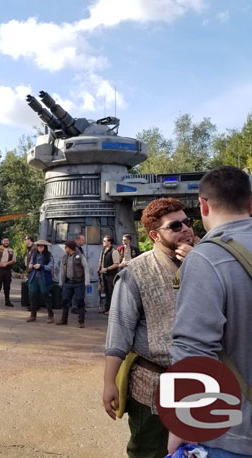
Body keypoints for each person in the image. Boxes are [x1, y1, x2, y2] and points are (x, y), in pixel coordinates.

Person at [168, 166, 252, 457]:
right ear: (250, 203)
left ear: (203, 205)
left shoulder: (206, 258)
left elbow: (192, 347)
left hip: (234, 435)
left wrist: (182, 423)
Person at [102, 198, 194, 458]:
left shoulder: (207, 261)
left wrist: (201, 263)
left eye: (188, 222)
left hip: (203, 381)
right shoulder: (135, 273)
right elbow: (119, 329)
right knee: (149, 451)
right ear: (154, 235)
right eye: (175, 226)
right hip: (153, 384)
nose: (186, 229)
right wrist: (109, 382)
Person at [57, 240, 90, 328]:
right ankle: (64, 320)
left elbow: (86, 268)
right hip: (68, 282)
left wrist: (87, 282)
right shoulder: (64, 257)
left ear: (70, 247)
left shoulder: (80, 256)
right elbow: (62, 270)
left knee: (80, 301)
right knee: (65, 301)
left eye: (66, 247)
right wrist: (61, 281)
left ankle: (81, 322)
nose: (65, 248)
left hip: (79, 283)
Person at [25, 240, 54, 323]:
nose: (39, 248)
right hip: (34, 277)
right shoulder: (34, 254)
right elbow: (30, 263)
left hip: (44, 278)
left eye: (41, 246)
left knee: (45, 294)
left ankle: (50, 315)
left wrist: (41, 266)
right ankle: (33, 315)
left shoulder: (49, 255)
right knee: (32, 294)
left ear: (45, 247)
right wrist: (30, 265)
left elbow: (50, 267)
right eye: (38, 246)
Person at [97, 235, 119, 314]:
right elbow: (100, 260)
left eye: (105, 241)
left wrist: (106, 269)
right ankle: (107, 307)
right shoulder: (103, 251)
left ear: (109, 242)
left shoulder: (114, 251)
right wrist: (99, 269)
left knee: (112, 292)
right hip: (104, 275)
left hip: (111, 275)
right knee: (106, 292)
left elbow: (116, 264)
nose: (103, 242)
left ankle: (112, 310)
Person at [21, 235, 35, 310]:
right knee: (31, 288)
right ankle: (31, 304)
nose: (24, 241)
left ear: (29, 240)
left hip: (33, 271)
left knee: (33, 289)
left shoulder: (34, 248)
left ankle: (33, 305)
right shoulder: (29, 249)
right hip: (29, 271)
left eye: (25, 239)